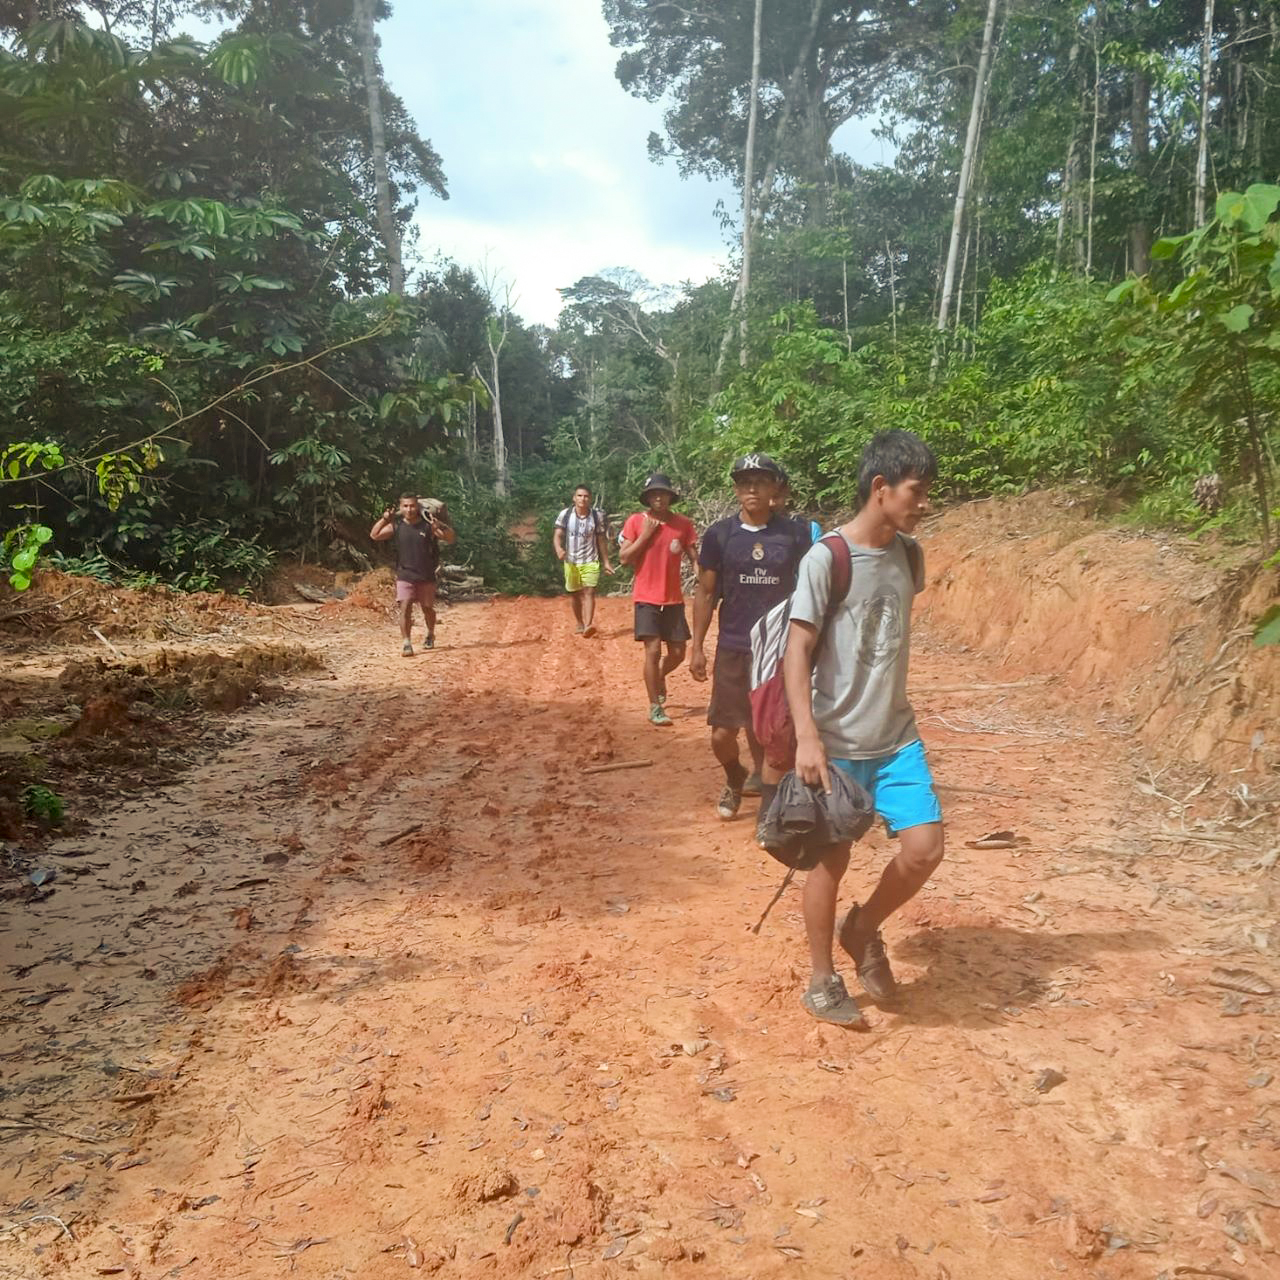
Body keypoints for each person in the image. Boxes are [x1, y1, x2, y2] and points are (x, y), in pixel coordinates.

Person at [782, 429, 943, 1028]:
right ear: (880, 488)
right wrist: (807, 737)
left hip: (896, 735)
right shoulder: (826, 558)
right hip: (837, 742)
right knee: (830, 863)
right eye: (915, 492)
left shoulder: (909, 554)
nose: (923, 504)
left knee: (925, 849)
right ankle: (823, 979)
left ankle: (863, 925)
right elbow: (797, 651)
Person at [691, 454, 812, 820]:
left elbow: (810, 590)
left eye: (760, 481)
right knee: (722, 734)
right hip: (734, 647)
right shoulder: (720, 535)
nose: (752, 488)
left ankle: (769, 813)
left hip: (778, 650)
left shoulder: (794, 534)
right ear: (736, 489)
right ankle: (734, 776)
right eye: (745, 482)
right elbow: (706, 593)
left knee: (772, 734)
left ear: (775, 487)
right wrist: (697, 646)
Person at [618, 472, 698, 727]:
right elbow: (624, 558)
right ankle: (655, 706)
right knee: (652, 651)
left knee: (677, 653)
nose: (658, 498)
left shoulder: (683, 524)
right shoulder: (635, 521)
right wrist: (646, 535)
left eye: (662, 493)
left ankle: (658, 676)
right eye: (654, 494)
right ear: (648, 498)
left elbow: (693, 554)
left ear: (670, 496)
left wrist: (700, 572)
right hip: (646, 597)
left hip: (673, 598)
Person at [370, 494, 456, 656]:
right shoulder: (396, 526)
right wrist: (384, 519)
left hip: (426, 575)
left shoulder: (428, 525)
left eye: (412, 506)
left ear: (418, 507)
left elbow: (450, 538)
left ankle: (430, 633)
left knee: (427, 609)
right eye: (405, 506)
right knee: (405, 607)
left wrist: (440, 526)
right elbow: (374, 535)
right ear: (400, 508)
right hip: (405, 574)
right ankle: (406, 643)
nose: (409, 509)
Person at [553, 485, 614, 636]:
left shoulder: (596, 517)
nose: (583, 499)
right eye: (579, 496)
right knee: (574, 593)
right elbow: (557, 535)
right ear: (574, 498)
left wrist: (605, 562)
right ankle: (579, 622)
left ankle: (588, 625)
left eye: (586, 496)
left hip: (590, 560)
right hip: (571, 561)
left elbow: (600, 540)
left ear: (590, 499)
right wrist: (559, 549)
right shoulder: (565, 515)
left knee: (589, 591)